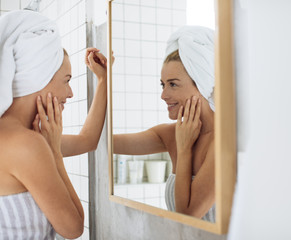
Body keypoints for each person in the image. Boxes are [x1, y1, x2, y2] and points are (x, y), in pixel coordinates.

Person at [0, 10, 109, 239]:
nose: (70, 93)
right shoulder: (26, 144)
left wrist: (103, 81)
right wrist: (55, 154)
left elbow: (87, 141)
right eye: (66, 81)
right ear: (38, 76)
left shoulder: (23, 136)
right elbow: (74, 228)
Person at [113, 26, 216, 222]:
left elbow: (187, 215)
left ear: (202, 85)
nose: (163, 95)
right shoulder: (170, 135)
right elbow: (100, 143)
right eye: (163, 84)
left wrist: (184, 149)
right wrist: (102, 81)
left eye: (173, 84)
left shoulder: (223, 142)